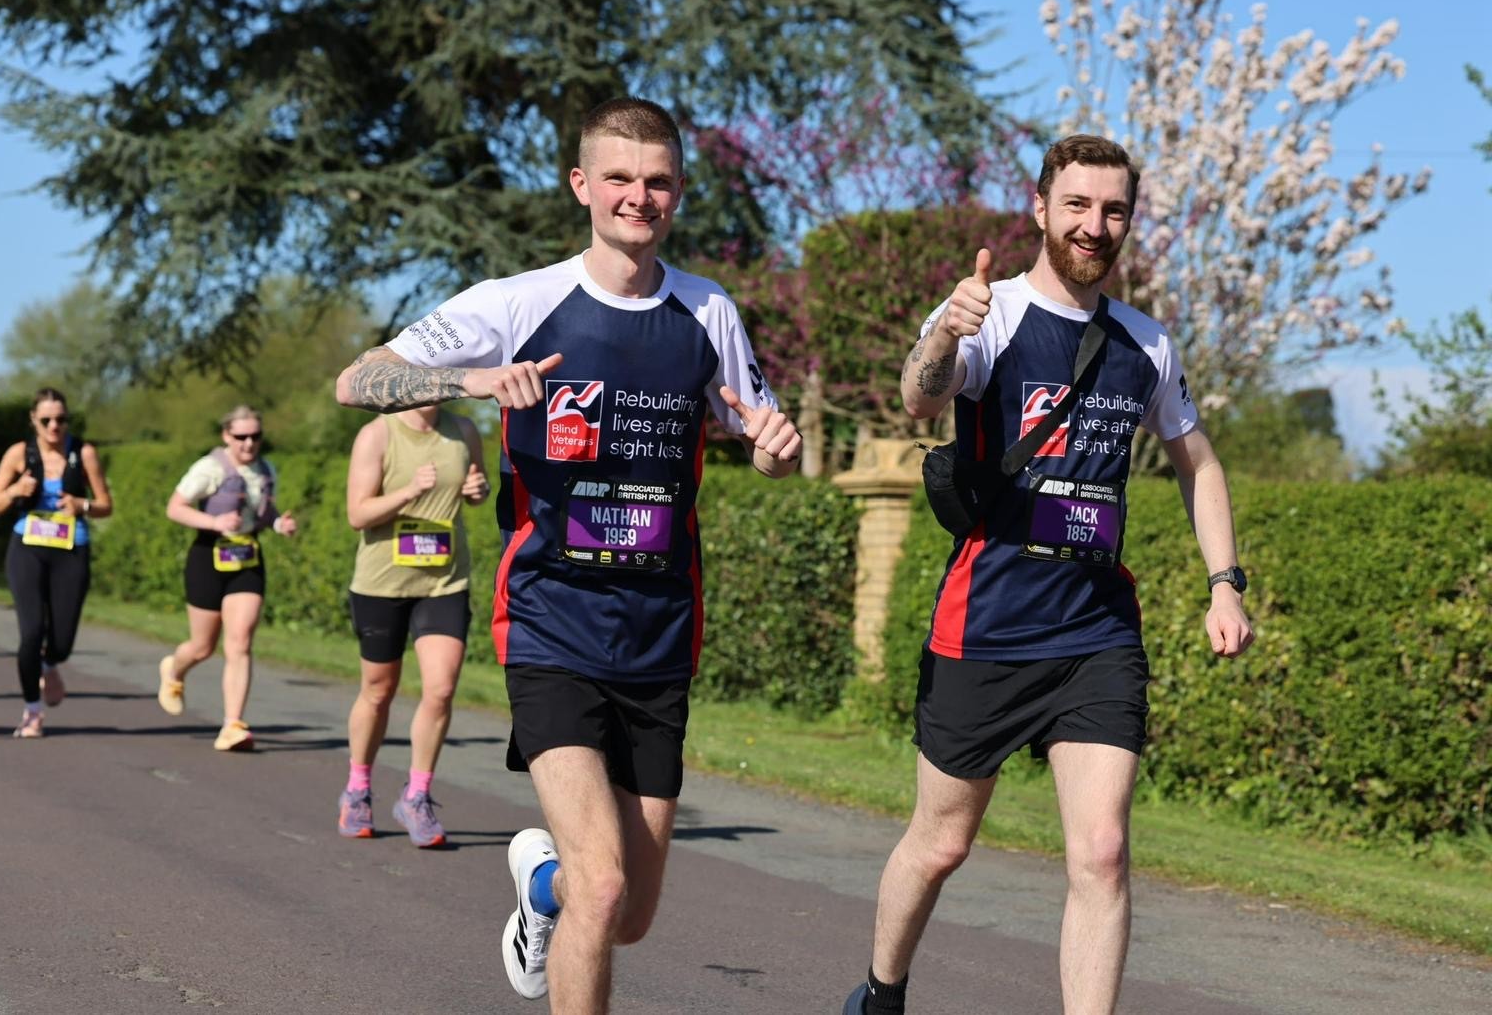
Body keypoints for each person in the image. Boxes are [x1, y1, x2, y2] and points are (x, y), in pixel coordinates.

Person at [335, 97, 801, 1013]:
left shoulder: (709, 312)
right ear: (582, 185)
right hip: (550, 619)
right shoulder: (517, 304)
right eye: (619, 178)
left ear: (678, 191)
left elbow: (760, 431)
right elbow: (358, 378)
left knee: (627, 912)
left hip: (662, 633)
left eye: (658, 180)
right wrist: (467, 378)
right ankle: (568, 887)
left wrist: (779, 453)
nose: (639, 197)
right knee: (606, 886)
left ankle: (538, 887)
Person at [841, 135, 1256, 1015]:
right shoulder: (987, 315)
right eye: (1077, 205)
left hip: (1096, 631)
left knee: (1101, 850)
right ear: (1041, 208)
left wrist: (1226, 581)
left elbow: (1199, 462)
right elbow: (920, 397)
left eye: (1113, 210)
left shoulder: (1145, 344)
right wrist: (944, 333)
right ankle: (881, 993)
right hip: (986, 623)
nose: (1094, 226)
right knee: (941, 842)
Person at [337, 404, 491, 845]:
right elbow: (357, 515)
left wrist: (476, 490)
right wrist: (408, 490)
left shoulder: (462, 430)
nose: (432, 388)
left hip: (443, 581)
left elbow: (474, 488)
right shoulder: (377, 435)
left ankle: (417, 796)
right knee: (378, 690)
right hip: (381, 584)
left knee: (440, 689)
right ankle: (357, 789)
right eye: (423, 377)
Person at [155, 405, 297, 752]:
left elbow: (264, 514)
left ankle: (232, 724)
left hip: (248, 557)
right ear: (226, 436)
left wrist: (279, 525)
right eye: (241, 437)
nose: (249, 443)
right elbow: (175, 508)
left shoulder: (267, 470)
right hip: (208, 556)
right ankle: (174, 670)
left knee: (240, 641)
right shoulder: (209, 468)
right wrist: (214, 523)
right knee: (203, 646)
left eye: (255, 436)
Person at [0, 388, 113, 738]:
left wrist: (82, 506)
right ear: (33, 421)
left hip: (71, 548)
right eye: (46, 420)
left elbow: (105, 505)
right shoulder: (18, 454)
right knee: (30, 633)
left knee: (63, 639)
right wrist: (14, 492)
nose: (54, 426)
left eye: (61, 419)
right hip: (27, 547)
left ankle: (50, 662)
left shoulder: (83, 453)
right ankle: (32, 711)